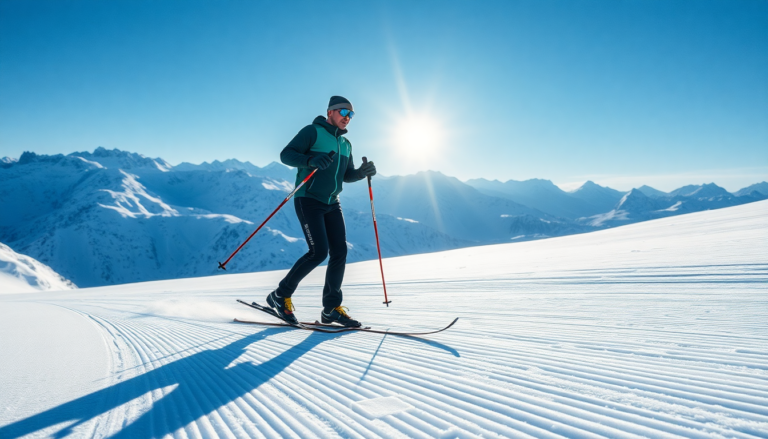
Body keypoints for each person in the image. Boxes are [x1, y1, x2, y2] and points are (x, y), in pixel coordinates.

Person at [261, 96, 376, 327]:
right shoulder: (312, 132)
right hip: (308, 199)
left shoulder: (346, 144)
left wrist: (362, 172)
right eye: (344, 112)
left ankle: (331, 309)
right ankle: (280, 296)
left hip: (332, 202)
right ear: (330, 112)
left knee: (339, 252)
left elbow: (346, 175)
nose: (347, 117)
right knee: (318, 252)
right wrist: (311, 159)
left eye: (351, 114)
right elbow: (286, 155)